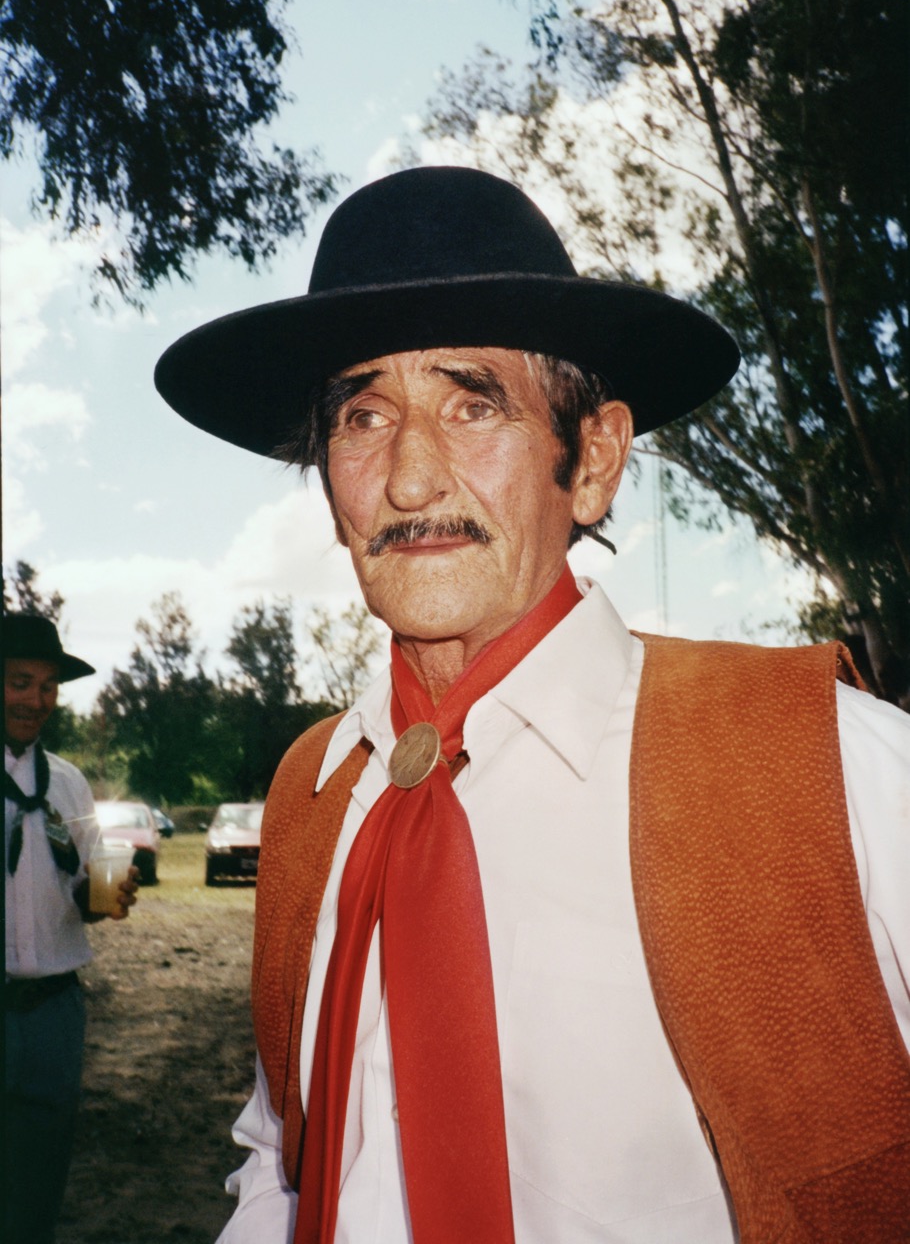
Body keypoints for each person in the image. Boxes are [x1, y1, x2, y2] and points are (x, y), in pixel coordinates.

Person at [155, 167, 910, 1243]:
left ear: (592, 459)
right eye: (363, 414)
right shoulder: (311, 798)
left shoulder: (833, 768)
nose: (411, 478)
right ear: (329, 481)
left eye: (474, 403)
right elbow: (286, 1153)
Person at [4, 612, 139, 1244]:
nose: (36, 700)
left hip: (55, 1011)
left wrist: (107, 895)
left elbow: (83, 895)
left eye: (48, 686)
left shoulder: (67, 782)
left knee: (38, 1177)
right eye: (20, 681)